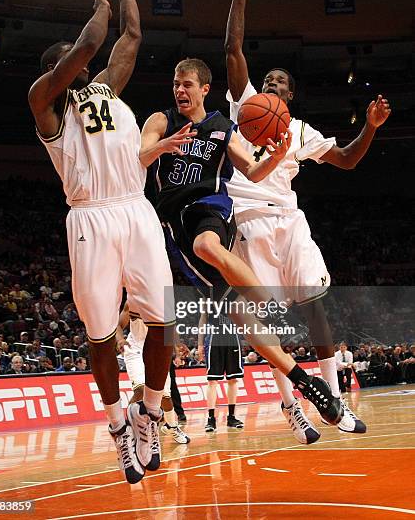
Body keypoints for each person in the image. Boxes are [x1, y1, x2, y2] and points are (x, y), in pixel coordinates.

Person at [224, 0, 391, 442]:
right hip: (250, 217)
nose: (270, 84)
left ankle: (331, 395)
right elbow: (233, 53)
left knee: (315, 303)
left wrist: (371, 128)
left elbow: (345, 159)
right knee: (269, 318)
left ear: (290, 96)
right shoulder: (243, 108)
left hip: (290, 220)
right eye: (267, 79)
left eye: (280, 82)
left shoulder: (298, 129)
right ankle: (290, 405)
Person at [28, 0, 175, 484]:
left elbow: (132, 35)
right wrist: (99, 9)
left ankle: (150, 415)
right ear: (58, 69)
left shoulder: (107, 91)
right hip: (90, 218)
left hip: (135, 209)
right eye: (67, 62)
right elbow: (89, 45)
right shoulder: (45, 102)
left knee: (163, 320)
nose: (80, 65)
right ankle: (117, 427)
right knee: (101, 333)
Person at [140, 57, 344, 428]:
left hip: (213, 211)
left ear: (204, 89)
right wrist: (164, 145)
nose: (179, 90)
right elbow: (138, 158)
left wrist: (278, 155)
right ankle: (307, 383)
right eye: (175, 84)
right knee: (239, 314)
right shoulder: (161, 120)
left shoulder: (222, 126)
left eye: (186, 84)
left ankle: (269, 305)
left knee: (207, 245)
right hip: (175, 217)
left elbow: (253, 169)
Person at [120, 303, 190, 445]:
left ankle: (172, 426)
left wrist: (177, 347)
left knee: (165, 397)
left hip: (158, 350)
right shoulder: (132, 302)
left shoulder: (163, 302)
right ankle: (126, 430)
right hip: (136, 349)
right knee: (140, 390)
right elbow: (118, 325)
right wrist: (120, 339)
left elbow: (171, 327)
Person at [198, 310, 244, 432]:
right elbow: (203, 319)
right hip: (214, 339)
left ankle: (232, 417)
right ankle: (211, 419)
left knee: (233, 379)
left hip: (232, 338)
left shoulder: (235, 294)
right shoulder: (207, 296)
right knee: (212, 381)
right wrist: (200, 343)